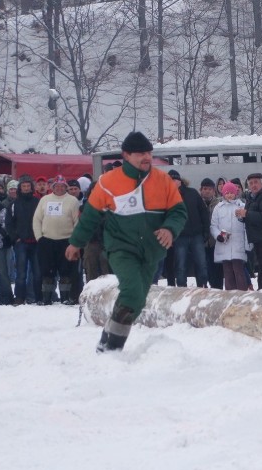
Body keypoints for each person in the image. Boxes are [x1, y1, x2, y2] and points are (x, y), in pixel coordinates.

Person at [66, 131, 186, 353]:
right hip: (121, 248)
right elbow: (90, 217)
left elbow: (179, 211)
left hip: (151, 251)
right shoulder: (108, 182)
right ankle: (112, 347)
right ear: (126, 155)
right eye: (141, 153)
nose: (147, 157)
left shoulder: (163, 180)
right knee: (131, 292)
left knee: (137, 301)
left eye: (149, 152)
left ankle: (107, 339)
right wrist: (76, 243)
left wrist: (170, 228)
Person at [33, 175, 80, 304]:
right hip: (47, 240)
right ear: (53, 187)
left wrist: (74, 240)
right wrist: (39, 238)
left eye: (62, 186)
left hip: (66, 241)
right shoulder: (45, 200)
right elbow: (37, 219)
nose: (59, 188)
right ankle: (46, 298)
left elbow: (77, 222)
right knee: (46, 271)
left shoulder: (72, 201)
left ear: (66, 187)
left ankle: (65, 297)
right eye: (57, 186)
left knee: (66, 271)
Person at [168, 169, 210, 288]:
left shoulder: (192, 193)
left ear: (179, 181)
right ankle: (182, 291)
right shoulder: (167, 197)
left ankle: (203, 287)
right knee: (180, 266)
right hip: (180, 237)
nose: (171, 182)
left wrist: (205, 232)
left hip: (197, 235)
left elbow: (203, 212)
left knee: (202, 264)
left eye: (174, 180)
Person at [6, 175, 42, 305]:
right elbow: (8, 223)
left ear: (31, 188)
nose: (26, 188)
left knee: (38, 272)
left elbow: (43, 220)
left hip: (36, 242)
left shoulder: (38, 202)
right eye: (23, 186)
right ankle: (19, 297)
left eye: (28, 186)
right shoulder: (13, 204)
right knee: (20, 273)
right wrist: (15, 238)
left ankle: (39, 297)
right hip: (21, 243)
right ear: (19, 188)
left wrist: (41, 237)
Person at [209, 182, 250, 291]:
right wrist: (218, 235)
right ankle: (229, 294)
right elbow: (213, 225)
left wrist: (247, 244)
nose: (229, 195)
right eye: (227, 193)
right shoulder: (218, 208)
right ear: (223, 194)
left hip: (238, 244)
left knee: (238, 270)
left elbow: (247, 226)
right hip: (224, 244)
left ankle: (242, 293)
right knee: (227, 272)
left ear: (236, 193)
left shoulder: (241, 206)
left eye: (232, 193)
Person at [200, 177, 223, 289]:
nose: (207, 191)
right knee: (204, 268)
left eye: (209, 189)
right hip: (202, 242)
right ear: (201, 190)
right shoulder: (197, 203)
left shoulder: (219, 203)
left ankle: (218, 290)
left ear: (214, 191)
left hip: (216, 242)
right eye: (205, 188)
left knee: (217, 269)